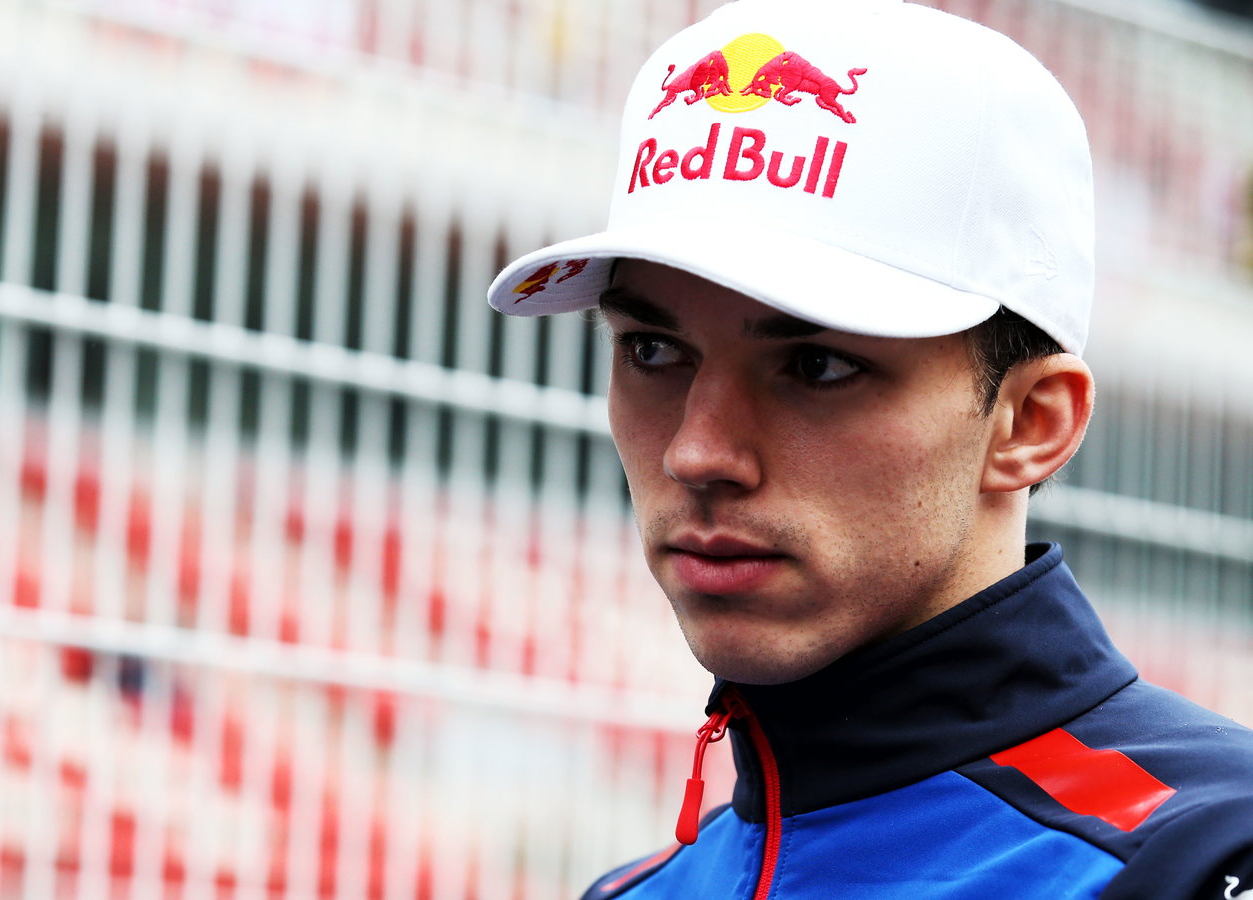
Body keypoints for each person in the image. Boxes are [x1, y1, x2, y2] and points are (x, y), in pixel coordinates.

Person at [486, 1, 1253, 897]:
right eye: (653, 351)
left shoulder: (1206, 860)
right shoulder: (634, 892)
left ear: (1031, 423)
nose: (696, 452)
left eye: (817, 366)